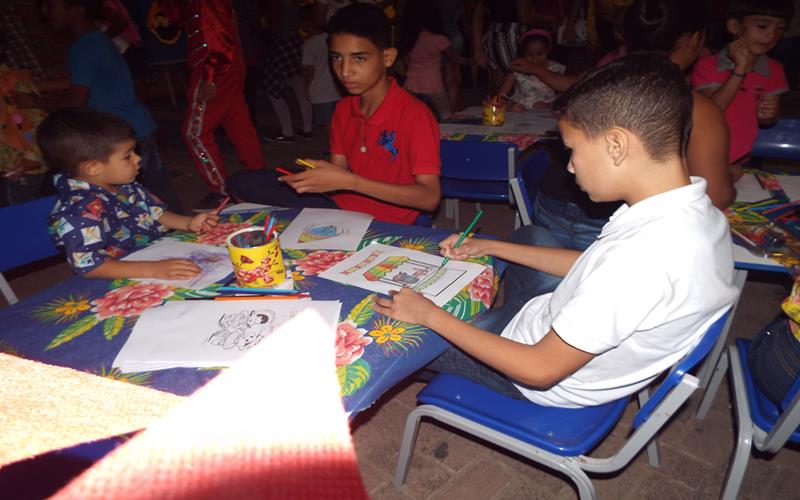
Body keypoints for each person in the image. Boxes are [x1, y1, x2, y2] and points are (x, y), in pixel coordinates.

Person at [374, 54, 738, 407]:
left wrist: (430, 317)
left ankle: (466, 330)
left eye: (572, 150)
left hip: (533, 372)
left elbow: (538, 370)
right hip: (549, 321)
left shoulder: (639, 262)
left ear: (616, 144)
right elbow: (592, 265)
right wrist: (489, 246)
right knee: (530, 236)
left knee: (391, 333)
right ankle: (493, 314)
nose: (570, 167)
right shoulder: (692, 210)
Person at [497, 0, 734, 310]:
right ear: (694, 40)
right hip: (605, 222)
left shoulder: (597, 83)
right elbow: (715, 195)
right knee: (567, 306)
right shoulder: (696, 107)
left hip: (552, 202)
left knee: (549, 302)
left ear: (625, 36)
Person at [227, 4, 441, 225]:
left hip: (383, 219)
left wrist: (351, 182)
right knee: (243, 181)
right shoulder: (344, 109)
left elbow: (430, 198)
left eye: (359, 58)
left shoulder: (415, 115)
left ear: (387, 57)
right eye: (337, 58)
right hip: (339, 204)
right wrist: (320, 174)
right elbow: (339, 170)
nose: (345, 71)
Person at [33, 0, 184, 214]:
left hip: (113, 137)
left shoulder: (82, 47)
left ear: (77, 8)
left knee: (133, 203)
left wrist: (34, 102)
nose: (45, 10)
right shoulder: (100, 40)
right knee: (157, 193)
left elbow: (76, 101)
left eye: (52, 5)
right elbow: (84, 78)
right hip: (138, 124)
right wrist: (41, 86)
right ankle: (181, 230)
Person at [39, 108, 218, 280]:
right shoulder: (78, 210)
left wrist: (189, 223)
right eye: (127, 156)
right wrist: (154, 269)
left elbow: (156, 213)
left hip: (153, 253)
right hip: (118, 273)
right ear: (93, 167)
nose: (138, 158)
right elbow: (89, 266)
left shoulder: (123, 183)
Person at [161, 0, 266, 210]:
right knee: (238, 123)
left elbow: (217, 34)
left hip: (216, 66)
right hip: (225, 65)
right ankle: (259, 178)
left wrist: (210, 77)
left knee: (194, 133)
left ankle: (222, 191)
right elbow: (176, 17)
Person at [691, 0, 792, 165]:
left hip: (744, 158)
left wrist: (769, 115)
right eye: (762, 26)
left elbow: (767, 121)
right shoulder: (708, 65)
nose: (772, 35)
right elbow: (713, 109)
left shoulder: (775, 69)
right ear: (734, 26)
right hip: (705, 157)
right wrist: (739, 71)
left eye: (780, 28)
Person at [400, 0, 472, 120]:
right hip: (433, 85)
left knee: (409, 117)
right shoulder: (438, 39)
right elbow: (456, 59)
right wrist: (472, 61)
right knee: (446, 116)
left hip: (411, 84)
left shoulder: (409, 40)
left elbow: (407, 62)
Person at [299, 5, 341, 143]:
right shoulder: (333, 38)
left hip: (320, 90)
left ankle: (336, 151)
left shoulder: (310, 44)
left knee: (328, 124)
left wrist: (307, 89)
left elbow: (310, 71)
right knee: (339, 123)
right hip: (336, 88)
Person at [498, 29, 565, 110]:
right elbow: (499, 99)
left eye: (540, 54)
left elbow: (566, 97)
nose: (535, 59)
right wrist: (511, 106)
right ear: (523, 52)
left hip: (547, 114)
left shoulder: (556, 69)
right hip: (520, 114)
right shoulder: (517, 69)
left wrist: (550, 105)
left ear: (548, 49)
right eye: (530, 55)